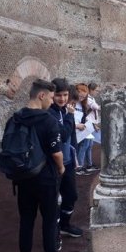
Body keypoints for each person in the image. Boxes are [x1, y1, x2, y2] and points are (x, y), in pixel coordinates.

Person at [9, 79, 75, 252]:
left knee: (26, 221)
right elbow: (56, 152)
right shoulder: (48, 119)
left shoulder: (16, 117)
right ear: (41, 95)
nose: (52, 101)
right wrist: (61, 168)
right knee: (49, 221)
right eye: (51, 97)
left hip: (23, 177)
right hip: (46, 177)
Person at [49, 78, 83, 239]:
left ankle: (64, 225)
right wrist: (70, 116)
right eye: (58, 95)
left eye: (65, 95)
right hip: (53, 163)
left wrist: (74, 155)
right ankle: (54, 231)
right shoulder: (50, 112)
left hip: (68, 161)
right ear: (51, 95)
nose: (62, 99)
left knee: (71, 195)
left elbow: (71, 136)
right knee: (53, 199)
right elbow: (63, 134)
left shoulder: (64, 110)